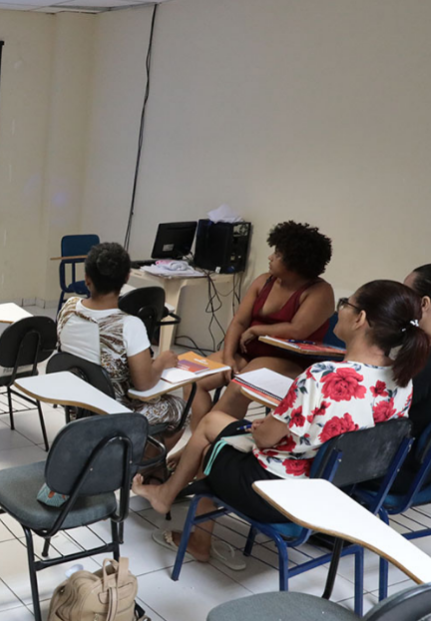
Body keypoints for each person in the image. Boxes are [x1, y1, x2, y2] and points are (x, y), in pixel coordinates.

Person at [133, 280, 430, 563]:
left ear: (360, 319)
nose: (340, 310)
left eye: (345, 304)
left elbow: (265, 440)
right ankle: (170, 497)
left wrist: (264, 429)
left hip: (277, 493)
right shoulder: (402, 382)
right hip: (333, 495)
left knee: (211, 441)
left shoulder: (322, 377)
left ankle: (192, 530)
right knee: (215, 424)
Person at [57, 243, 210, 447]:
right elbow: (144, 383)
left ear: (87, 279)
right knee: (181, 409)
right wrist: (162, 361)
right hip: (116, 411)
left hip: (78, 405)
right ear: (127, 278)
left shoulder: (68, 308)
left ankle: (125, 458)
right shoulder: (129, 324)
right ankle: (138, 464)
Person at [195, 221, 335, 419]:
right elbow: (239, 322)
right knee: (195, 380)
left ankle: (212, 435)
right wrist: (228, 357)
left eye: (277, 255)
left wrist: (256, 330)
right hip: (247, 353)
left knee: (239, 387)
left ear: (295, 263)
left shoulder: (320, 291)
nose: (270, 257)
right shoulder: (264, 280)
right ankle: (201, 434)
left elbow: (297, 330)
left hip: (287, 360)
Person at [392, 265, 431, 493]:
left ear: (424, 304)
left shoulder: (426, 361)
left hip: (398, 468)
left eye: (406, 295)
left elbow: (385, 407)